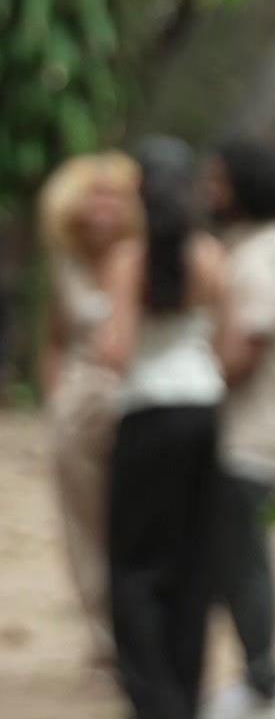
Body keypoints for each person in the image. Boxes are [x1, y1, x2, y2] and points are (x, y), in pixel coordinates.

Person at [97, 136, 230, 719]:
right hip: (202, 409)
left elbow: (116, 349)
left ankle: (154, 703)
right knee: (193, 562)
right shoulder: (210, 254)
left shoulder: (129, 259)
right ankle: (186, 694)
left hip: (147, 412)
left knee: (133, 566)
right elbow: (223, 338)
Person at [199, 138, 275, 719]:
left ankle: (266, 686)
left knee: (244, 565)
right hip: (259, 433)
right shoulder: (268, 246)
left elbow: (248, 345)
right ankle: (256, 679)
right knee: (238, 562)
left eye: (218, 181)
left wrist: (187, 375)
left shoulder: (263, 256)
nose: (209, 192)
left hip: (251, 437)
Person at [37, 151, 144, 666]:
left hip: (135, 401)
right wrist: (56, 397)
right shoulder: (68, 265)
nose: (104, 207)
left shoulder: (145, 257)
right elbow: (55, 338)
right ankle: (104, 632)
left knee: (133, 519)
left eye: (115, 196)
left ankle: (139, 628)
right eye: (94, 195)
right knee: (83, 521)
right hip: (77, 410)